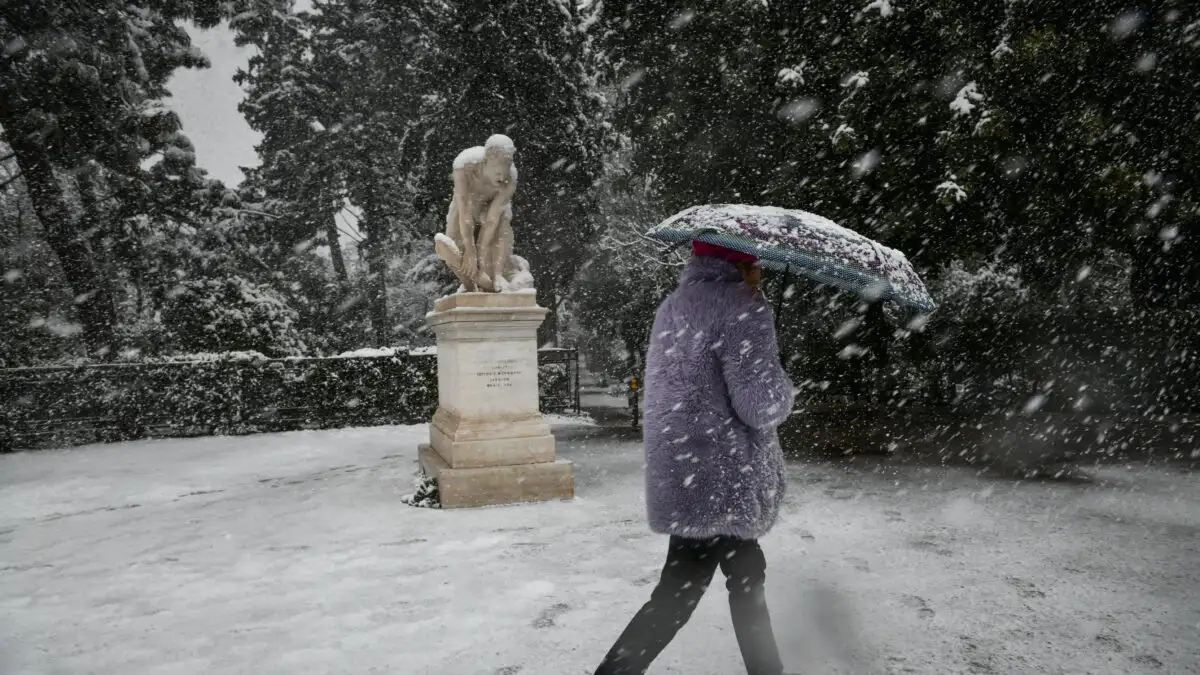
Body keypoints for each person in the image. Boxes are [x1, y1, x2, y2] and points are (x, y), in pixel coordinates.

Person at [595, 241, 796, 675]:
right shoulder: (744, 306)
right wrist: (781, 380)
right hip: (727, 476)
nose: (759, 270)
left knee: (731, 580)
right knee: (692, 592)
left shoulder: (675, 306)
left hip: (687, 471)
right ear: (739, 262)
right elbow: (761, 407)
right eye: (754, 262)